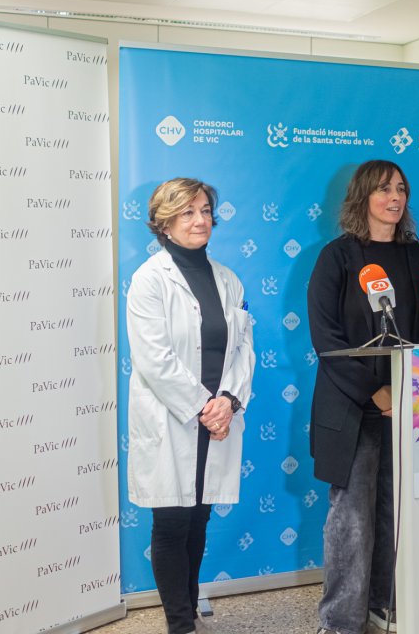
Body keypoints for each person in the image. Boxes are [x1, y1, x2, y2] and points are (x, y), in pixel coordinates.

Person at [308, 160, 419, 634]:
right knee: (352, 518)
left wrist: (418, 391)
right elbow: (326, 339)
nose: (395, 197)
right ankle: (341, 621)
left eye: (401, 188)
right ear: (362, 196)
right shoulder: (337, 258)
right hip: (352, 407)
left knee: (395, 512)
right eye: (384, 189)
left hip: (408, 407)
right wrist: (375, 390)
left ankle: (384, 605)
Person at [126, 177, 254, 634]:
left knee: (199, 519)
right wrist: (206, 407)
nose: (200, 220)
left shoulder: (228, 279)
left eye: (205, 211)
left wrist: (230, 402)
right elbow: (154, 359)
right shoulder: (149, 280)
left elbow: (243, 350)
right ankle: (179, 624)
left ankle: (190, 612)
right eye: (187, 212)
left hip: (216, 419)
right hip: (174, 417)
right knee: (172, 523)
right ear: (163, 223)